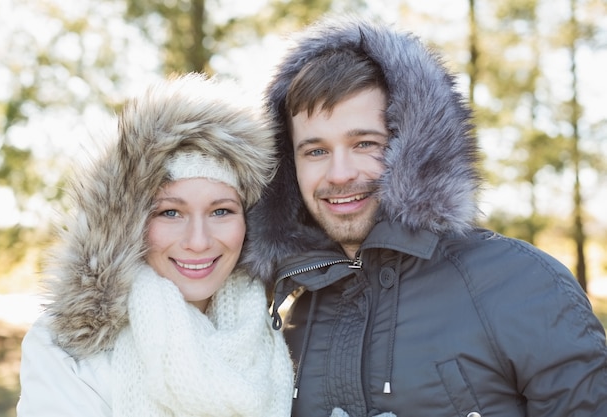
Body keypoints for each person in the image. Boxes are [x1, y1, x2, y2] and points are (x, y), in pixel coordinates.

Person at [241, 15, 607, 417]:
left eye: (365, 143)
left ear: (416, 147)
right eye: (315, 151)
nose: (340, 174)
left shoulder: (525, 286)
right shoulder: (275, 308)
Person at [17, 74, 294, 417]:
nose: (198, 241)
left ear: (250, 220)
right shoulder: (68, 351)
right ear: (129, 223)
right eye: (170, 212)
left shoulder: (274, 332)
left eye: (221, 210)